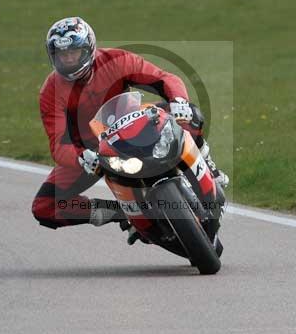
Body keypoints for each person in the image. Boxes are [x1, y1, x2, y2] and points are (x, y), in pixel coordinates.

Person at [32, 16, 228, 232]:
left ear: (88, 48)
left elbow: (163, 79)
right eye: (62, 55)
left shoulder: (115, 60)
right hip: (92, 153)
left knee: (187, 113)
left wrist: (179, 100)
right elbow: (58, 143)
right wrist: (80, 158)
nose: (68, 60)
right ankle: (121, 211)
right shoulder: (51, 91)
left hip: (134, 125)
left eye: (74, 52)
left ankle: (208, 167)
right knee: (44, 207)